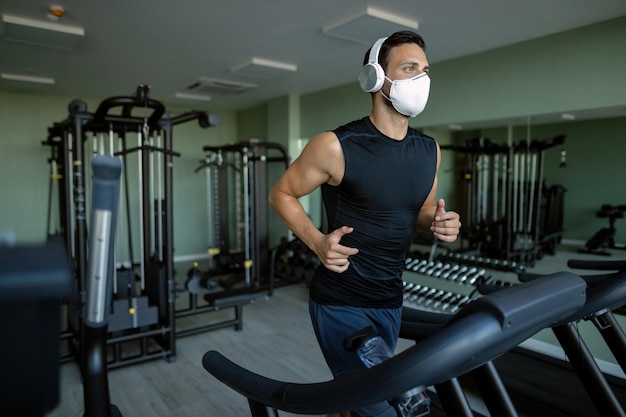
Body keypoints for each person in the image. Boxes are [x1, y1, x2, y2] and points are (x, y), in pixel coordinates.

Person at [268, 30, 462, 417]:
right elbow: (281, 194)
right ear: (375, 78)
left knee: (355, 399)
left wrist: (438, 223)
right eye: (409, 68)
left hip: (390, 298)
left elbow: (422, 210)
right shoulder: (337, 145)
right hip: (341, 299)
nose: (421, 80)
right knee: (385, 409)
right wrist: (317, 241)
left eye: (425, 70)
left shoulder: (429, 150)